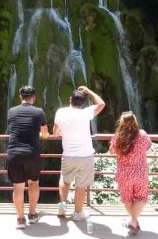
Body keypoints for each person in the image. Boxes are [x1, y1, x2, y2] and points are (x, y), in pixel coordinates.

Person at [52, 85, 106, 220]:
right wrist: (88, 91)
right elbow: (101, 103)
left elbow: (55, 132)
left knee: (65, 180)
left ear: (70, 99)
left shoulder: (60, 112)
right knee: (81, 185)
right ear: (83, 103)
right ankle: (78, 213)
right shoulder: (86, 113)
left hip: (68, 154)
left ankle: (62, 207)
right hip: (85, 155)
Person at [6, 85, 49, 229]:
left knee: (18, 187)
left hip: (14, 153)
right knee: (33, 183)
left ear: (20, 97)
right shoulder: (39, 112)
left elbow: (12, 129)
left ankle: (20, 219)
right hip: (32, 154)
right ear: (34, 98)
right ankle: (32, 214)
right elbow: (44, 134)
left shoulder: (11, 111)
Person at [110, 111, 151, 236]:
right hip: (140, 173)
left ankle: (133, 221)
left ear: (121, 122)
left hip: (124, 174)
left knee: (127, 198)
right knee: (140, 197)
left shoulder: (118, 136)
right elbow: (148, 146)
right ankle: (133, 221)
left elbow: (112, 152)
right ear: (135, 121)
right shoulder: (142, 134)